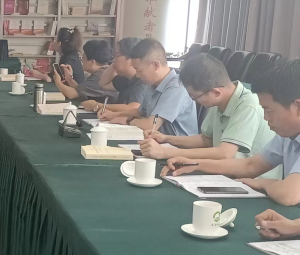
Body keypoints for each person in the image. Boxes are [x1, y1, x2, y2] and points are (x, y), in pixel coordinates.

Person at [165, 59, 300, 206]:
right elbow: (250, 166)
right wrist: (196, 164)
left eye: (269, 110)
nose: (265, 118)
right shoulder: (286, 136)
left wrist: (263, 183)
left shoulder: (250, 106)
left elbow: (288, 195)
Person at [141, 54, 281, 179]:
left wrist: (166, 152)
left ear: (216, 92)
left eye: (195, 97)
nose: (195, 101)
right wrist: (166, 138)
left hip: (251, 182)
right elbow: (206, 140)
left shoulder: (248, 105)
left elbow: (224, 153)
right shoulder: (220, 100)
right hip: (223, 173)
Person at [100, 38, 197, 136]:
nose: (137, 75)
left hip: (175, 144)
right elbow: (140, 112)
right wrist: (113, 115)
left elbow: (150, 125)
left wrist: (128, 121)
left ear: (156, 65)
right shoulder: (153, 84)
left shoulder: (176, 87)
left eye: (139, 70)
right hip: (156, 141)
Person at [81, 37, 148, 113]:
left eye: (117, 55)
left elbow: (133, 108)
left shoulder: (142, 81)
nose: (113, 60)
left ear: (131, 59)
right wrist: (114, 64)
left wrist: (98, 105)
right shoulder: (125, 78)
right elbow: (103, 84)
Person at [54, 40, 118, 102]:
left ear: (92, 62)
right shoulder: (103, 71)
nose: (82, 60)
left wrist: (58, 81)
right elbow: (80, 91)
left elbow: (72, 94)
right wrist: (69, 79)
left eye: (83, 58)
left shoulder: (99, 76)